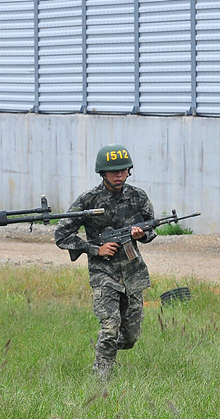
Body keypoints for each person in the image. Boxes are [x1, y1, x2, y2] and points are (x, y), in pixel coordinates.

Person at [54, 144, 156, 379]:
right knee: (110, 329)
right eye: (113, 171)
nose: (118, 175)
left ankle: (107, 350)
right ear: (102, 173)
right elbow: (62, 236)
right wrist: (95, 249)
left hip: (132, 273)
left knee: (130, 337)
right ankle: (101, 379)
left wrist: (143, 234)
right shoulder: (89, 200)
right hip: (104, 275)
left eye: (123, 170)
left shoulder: (138, 197)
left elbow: (151, 228)